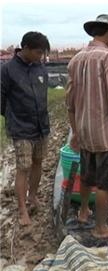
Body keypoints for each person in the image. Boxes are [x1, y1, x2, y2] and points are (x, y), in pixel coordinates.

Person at [66, 14, 108, 239]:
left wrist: (75, 131)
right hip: (106, 134)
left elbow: (70, 102)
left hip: (84, 131)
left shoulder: (76, 59)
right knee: (106, 182)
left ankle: (84, 211)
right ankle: (101, 228)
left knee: (87, 175)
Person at [1, 32, 50, 225]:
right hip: (21, 128)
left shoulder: (40, 68)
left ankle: (33, 197)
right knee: (23, 167)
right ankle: (22, 210)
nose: (41, 56)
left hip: (41, 126)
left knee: (38, 163)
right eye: (38, 52)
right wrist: (13, 117)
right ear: (26, 48)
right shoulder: (7, 70)